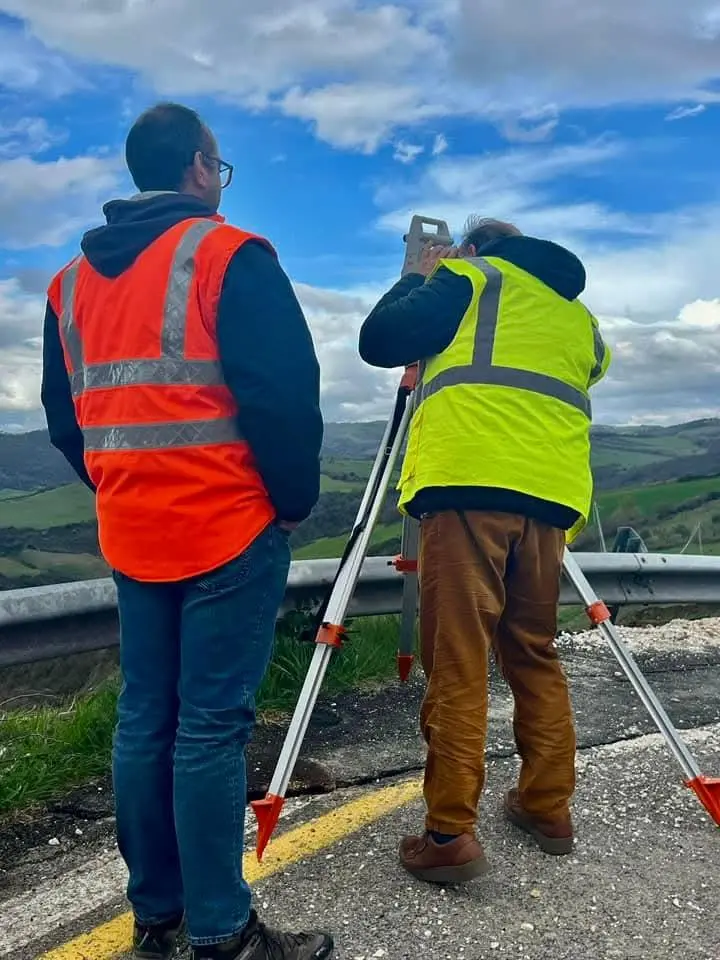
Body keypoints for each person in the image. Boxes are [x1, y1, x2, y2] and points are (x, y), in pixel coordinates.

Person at [40, 102, 334, 960]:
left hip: (133, 532)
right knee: (209, 728)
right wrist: (289, 501)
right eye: (219, 166)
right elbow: (283, 396)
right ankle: (222, 932)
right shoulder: (228, 255)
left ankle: (157, 918)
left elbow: (70, 423)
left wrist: (122, 487)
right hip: (227, 527)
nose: (219, 180)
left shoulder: (68, 284)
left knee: (146, 722)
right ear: (200, 168)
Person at [358, 216, 611, 884]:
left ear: (472, 250)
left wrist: (418, 276)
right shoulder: (578, 318)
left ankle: (448, 834)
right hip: (552, 497)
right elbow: (590, 370)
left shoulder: (468, 278)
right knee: (532, 650)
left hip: (469, 485)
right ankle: (547, 806)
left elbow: (380, 341)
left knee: (461, 657)